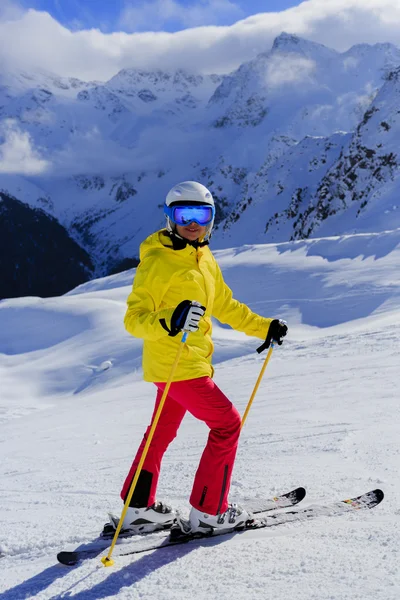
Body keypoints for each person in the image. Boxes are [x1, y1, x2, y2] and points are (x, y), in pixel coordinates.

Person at [118, 181, 288, 535]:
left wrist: (264, 327)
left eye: (201, 214)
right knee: (227, 424)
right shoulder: (158, 263)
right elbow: (133, 320)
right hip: (177, 364)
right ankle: (210, 512)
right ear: (170, 218)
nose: (192, 223)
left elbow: (226, 306)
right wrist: (170, 319)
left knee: (160, 431)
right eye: (184, 214)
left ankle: (138, 508)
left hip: (181, 365)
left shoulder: (204, 258)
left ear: (211, 219)